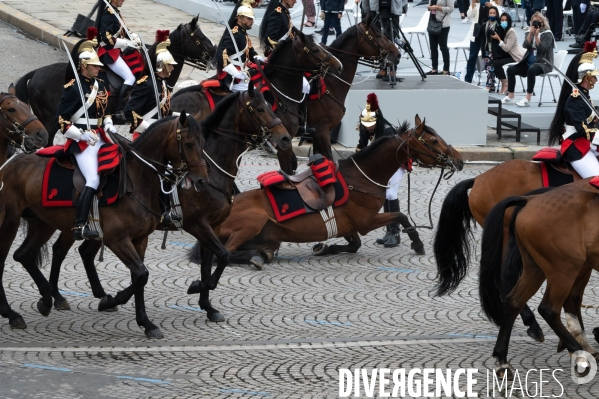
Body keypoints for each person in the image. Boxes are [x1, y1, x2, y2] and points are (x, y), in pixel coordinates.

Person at [55, 28, 115, 240]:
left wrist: (108, 122)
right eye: (94, 66)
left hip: (101, 136)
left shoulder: (100, 85)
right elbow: (61, 120)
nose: (98, 69)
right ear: (84, 67)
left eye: (99, 66)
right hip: (82, 142)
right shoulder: (72, 88)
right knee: (93, 179)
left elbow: (105, 110)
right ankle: (79, 225)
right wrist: (80, 135)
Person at [124, 30, 179, 227]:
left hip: (161, 135)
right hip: (146, 136)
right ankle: (159, 211)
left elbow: (165, 113)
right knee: (158, 172)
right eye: (169, 66)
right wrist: (152, 128)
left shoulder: (163, 85)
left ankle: (166, 210)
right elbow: (129, 112)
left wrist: (182, 118)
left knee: (173, 168)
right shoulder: (146, 84)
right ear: (161, 66)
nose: (172, 69)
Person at [355, 93, 408, 248]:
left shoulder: (386, 132)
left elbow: (393, 156)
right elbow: (362, 147)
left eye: (370, 125)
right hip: (382, 165)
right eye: (365, 125)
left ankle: (396, 232)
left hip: (396, 163)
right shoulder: (365, 128)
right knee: (384, 194)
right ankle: (389, 230)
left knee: (391, 194)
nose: (367, 128)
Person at [548, 42, 599, 179]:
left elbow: (593, 121)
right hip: (576, 146)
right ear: (586, 77)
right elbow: (584, 130)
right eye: (594, 76)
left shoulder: (585, 96)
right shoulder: (575, 100)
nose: (596, 79)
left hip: (586, 144)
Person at [95, 0, 141, 124]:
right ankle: (119, 110)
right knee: (130, 78)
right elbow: (106, 38)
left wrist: (134, 37)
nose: (123, 0)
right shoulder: (108, 14)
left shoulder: (115, 12)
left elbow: (122, 30)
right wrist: (127, 43)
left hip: (116, 50)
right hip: (108, 52)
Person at [501, 12, 554, 107]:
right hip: (528, 63)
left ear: (543, 22)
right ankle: (511, 95)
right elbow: (525, 45)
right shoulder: (529, 33)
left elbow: (542, 49)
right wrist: (530, 34)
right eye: (534, 22)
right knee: (510, 70)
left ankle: (528, 97)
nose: (536, 23)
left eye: (538, 21)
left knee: (531, 70)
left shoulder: (548, 34)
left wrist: (537, 37)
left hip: (543, 64)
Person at [214, 0, 262, 92]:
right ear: (240, 18)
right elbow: (222, 54)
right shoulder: (235, 34)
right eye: (248, 19)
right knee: (255, 95)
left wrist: (258, 58)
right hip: (231, 76)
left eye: (252, 19)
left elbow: (250, 51)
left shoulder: (242, 33)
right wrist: (235, 73)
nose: (251, 21)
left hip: (241, 72)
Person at [362, 0, 404, 80]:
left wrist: (403, 6)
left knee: (392, 39)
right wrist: (367, 8)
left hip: (393, 9)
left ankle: (393, 68)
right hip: (376, 9)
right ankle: (382, 68)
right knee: (379, 41)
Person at [490, 12, 525, 94]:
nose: (504, 21)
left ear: (509, 21)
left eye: (506, 20)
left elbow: (506, 48)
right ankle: (503, 82)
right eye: (502, 20)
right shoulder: (503, 30)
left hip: (515, 56)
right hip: (509, 55)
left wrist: (498, 39)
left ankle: (505, 83)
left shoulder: (511, 31)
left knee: (497, 64)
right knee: (494, 61)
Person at [426, 0, 454, 75]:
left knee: (443, 47)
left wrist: (438, 8)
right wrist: (429, 7)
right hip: (432, 23)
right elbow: (430, 5)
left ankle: (446, 69)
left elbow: (451, 9)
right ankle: (434, 68)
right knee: (433, 47)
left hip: (443, 24)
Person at [480, 6, 503, 91]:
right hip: (486, 48)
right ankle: (492, 84)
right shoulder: (485, 24)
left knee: (490, 68)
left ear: (497, 14)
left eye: (494, 13)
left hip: (494, 49)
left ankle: (489, 85)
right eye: (490, 13)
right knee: (488, 67)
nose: (492, 15)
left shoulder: (499, 25)